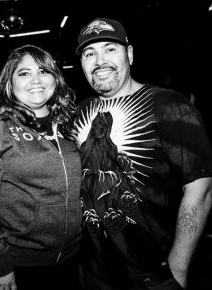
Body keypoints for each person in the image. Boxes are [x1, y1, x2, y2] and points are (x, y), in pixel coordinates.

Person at [73, 17, 212, 290]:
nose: (99, 60)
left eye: (110, 49)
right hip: (92, 272)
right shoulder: (78, 112)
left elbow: (200, 191)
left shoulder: (170, 105)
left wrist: (178, 270)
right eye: (90, 53)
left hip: (152, 275)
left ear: (130, 54)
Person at [0, 44, 83, 290]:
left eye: (43, 71)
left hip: (73, 259)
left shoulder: (72, 124)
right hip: (19, 265)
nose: (35, 80)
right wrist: (0, 265)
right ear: (10, 82)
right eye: (24, 73)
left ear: (55, 78)